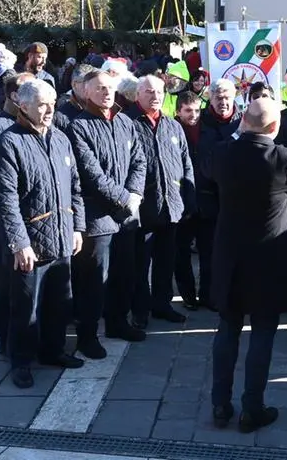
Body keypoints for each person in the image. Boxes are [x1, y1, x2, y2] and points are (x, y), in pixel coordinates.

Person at [204, 97, 287, 433]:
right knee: (262, 332)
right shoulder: (285, 158)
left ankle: (220, 405)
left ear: (244, 122)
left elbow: (206, 165)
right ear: (276, 128)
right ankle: (253, 408)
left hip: (230, 257)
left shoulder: (223, 153)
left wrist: (239, 133)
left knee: (228, 327)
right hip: (268, 259)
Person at [0, 80, 86, 388]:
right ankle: (20, 360)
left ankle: (53, 351)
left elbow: (75, 187)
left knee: (59, 302)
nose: (49, 109)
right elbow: (5, 200)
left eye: (52, 102)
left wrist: (78, 227)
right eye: (42, 104)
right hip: (30, 243)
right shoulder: (9, 143)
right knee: (25, 307)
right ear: (24, 105)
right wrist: (19, 244)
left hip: (61, 235)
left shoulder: (60, 138)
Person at [68, 69, 147, 359]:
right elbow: (91, 174)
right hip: (97, 217)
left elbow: (139, 160)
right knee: (93, 281)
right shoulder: (78, 127)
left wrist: (134, 195)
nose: (106, 92)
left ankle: (117, 323)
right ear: (85, 92)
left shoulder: (125, 122)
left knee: (124, 274)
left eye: (110, 87)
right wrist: (125, 198)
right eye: (99, 88)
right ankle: (87, 336)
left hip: (127, 216)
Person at [127, 75, 195, 326]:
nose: (155, 96)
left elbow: (185, 163)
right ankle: (140, 310)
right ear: (137, 95)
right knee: (140, 264)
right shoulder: (128, 123)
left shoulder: (173, 126)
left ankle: (162, 305)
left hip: (171, 206)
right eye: (148, 92)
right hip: (143, 209)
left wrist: (189, 197)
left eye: (159, 92)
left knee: (166, 262)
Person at [0, 71, 35, 356]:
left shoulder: (34, 124)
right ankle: (6, 340)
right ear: (14, 96)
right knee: (7, 286)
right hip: (8, 224)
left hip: (36, 222)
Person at [196, 79, 242, 309]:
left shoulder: (244, 122)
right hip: (207, 197)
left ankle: (233, 293)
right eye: (218, 97)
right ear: (210, 98)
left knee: (234, 251)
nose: (223, 102)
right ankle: (209, 295)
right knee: (208, 251)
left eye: (227, 97)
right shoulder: (200, 121)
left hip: (235, 199)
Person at [173, 91, 204, 310]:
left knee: (208, 249)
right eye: (188, 111)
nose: (193, 115)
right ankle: (188, 295)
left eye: (196, 110)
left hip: (205, 198)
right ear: (178, 111)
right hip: (182, 200)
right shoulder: (172, 129)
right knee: (181, 253)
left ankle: (208, 293)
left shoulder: (206, 129)